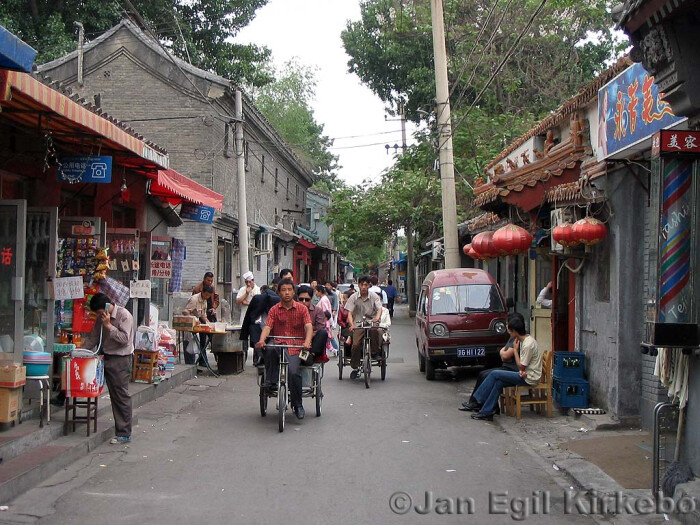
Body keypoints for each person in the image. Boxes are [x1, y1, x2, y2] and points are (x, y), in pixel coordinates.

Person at [256, 279, 313, 419]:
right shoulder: (274, 310)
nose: (286, 293)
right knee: (268, 348)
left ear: (293, 292)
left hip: (295, 347)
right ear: (279, 292)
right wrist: (262, 340)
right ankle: (271, 379)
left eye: (289, 289)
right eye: (283, 290)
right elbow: (267, 327)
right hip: (278, 344)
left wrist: (307, 341)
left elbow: (309, 327)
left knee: (294, 373)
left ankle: (297, 405)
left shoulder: (302, 309)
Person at [468, 315, 542, 421]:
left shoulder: (527, 344)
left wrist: (516, 351)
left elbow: (521, 366)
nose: (509, 334)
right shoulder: (524, 340)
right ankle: (486, 412)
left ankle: (479, 398)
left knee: (494, 374)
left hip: (529, 377)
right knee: (499, 383)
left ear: (515, 331)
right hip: (525, 373)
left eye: (510, 332)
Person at [84, 293, 134, 444]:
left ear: (106, 306)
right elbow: (93, 337)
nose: (100, 316)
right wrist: (80, 350)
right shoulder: (101, 318)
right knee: (113, 395)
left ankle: (124, 433)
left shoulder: (124, 315)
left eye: (100, 312)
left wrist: (109, 326)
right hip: (106, 356)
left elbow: (124, 340)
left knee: (120, 396)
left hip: (120, 359)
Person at [459, 312, 525, 413]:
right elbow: (504, 351)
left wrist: (503, 353)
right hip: (508, 366)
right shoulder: (512, 337)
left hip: (512, 369)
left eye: (508, 324)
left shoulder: (518, 338)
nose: (506, 327)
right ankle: (476, 403)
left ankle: (480, 403)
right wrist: (503, 352)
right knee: (482, 374)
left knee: (489, 375)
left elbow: (506, 356)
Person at [344, 275, 382, 372]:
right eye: (362, 285)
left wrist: (377, 318)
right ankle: (355, 364)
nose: (364, 287)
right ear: (358, 285)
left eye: (366, 285)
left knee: (375, 331)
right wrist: (352, 324)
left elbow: (379, 308)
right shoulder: (353, 297)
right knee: (355, 344)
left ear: (369, 286)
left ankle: (374, 352)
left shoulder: (374, 296)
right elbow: (350, 313)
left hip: (371, 322)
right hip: (358, 323)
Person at [240, 278, 281, 365]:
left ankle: (260, 358)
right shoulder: (275, 300)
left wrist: (244, 335)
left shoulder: (259, 300)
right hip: (263, 329)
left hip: (264, 329)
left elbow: (249, 318)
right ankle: (260, 358)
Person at [182, 285, 215, 366]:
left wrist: (209, 324)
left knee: (200, 343)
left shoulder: (205, 301)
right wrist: (194, 320)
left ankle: (200, 362)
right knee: (190, 345)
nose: (207, 297)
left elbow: (203, 315)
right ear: (202, 292)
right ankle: (190, 364)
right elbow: (185, 312)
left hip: (198, 324)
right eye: (206, 295)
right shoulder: (194, 299)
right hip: (190, 325)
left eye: (209, 296)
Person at [297, 286, 329, 362]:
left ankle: (311, 355)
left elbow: (320, 328)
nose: (304, 302)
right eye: (301, 299)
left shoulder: (318, 311)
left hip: (312, 340)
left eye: (307, 300)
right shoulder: (293, 311)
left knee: (323, 333)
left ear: (311, 299)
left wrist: (309, 336)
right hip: (296, 338)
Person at [314, 285, 334, 356]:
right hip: (324, 320)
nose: (315, 293)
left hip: (325, 321)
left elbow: (326, 311)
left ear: (319, 291)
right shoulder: (323, 299)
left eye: (316, 291)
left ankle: (334, 350)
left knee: (327, 337)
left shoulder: (323, 300)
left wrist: (326, 320)